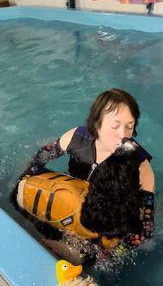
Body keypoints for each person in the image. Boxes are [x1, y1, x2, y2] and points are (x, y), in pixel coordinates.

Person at [16, 88, 155, 255]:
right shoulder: (75, 138)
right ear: (97, 123)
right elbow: (36, 164)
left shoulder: (139, 165)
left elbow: (144, 230)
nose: (123, 135)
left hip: (104, 216)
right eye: (115, 126)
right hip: (71, 196)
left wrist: (93, 253)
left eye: (130, 126)